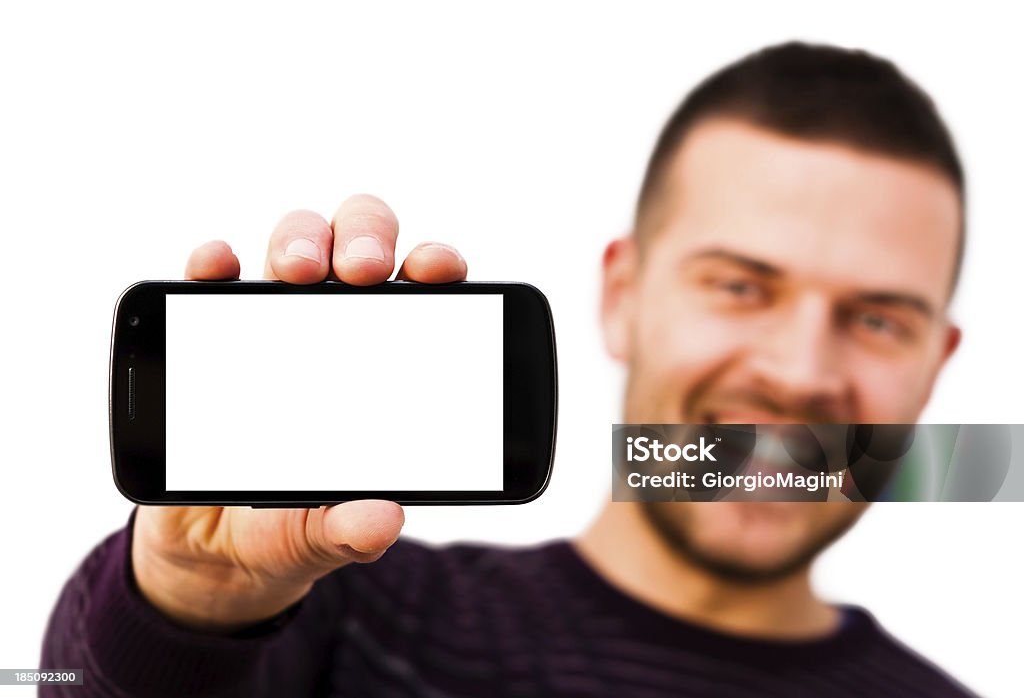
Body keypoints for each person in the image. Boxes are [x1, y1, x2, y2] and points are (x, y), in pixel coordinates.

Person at [41, 42, 979, 696]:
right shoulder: (351, 616)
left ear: (936, 366)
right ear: (622, 296)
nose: (800, 373)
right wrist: (187, 610)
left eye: (878, 318)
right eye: (741, 285)